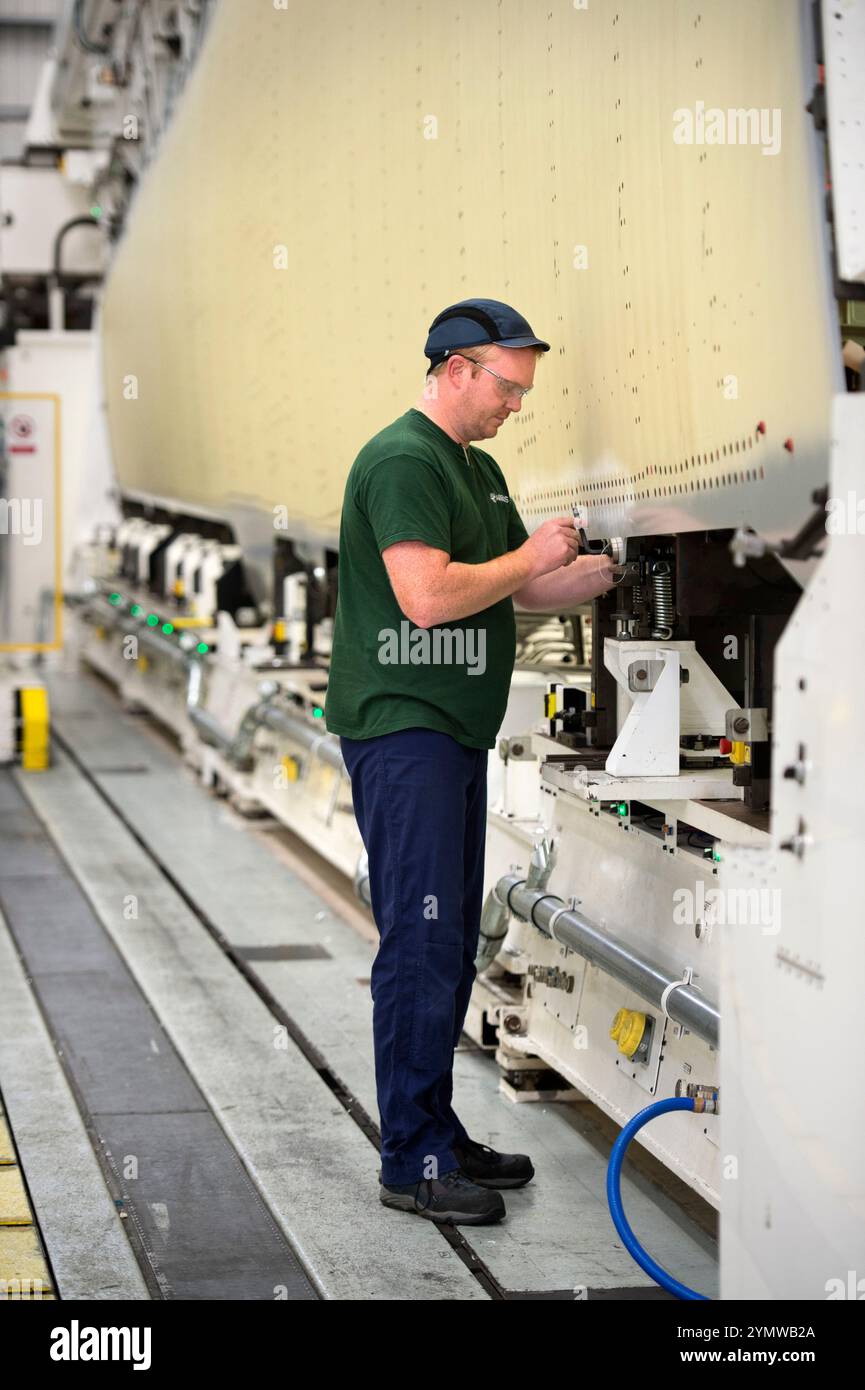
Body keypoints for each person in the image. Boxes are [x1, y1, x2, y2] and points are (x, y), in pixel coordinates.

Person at [325, 297, 616, 1224]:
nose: (514, 405)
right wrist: (527, 557)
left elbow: (516, 587)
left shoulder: (477, 470)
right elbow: (426, 596)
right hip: (402, 724)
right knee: (419, 943)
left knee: (447, 943)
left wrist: (589, 570)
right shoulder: (404, 459)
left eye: (523, 390)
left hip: (450, 730)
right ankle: (409, 1162)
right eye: (506, 385)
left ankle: (439, 1134)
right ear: (454, 368)